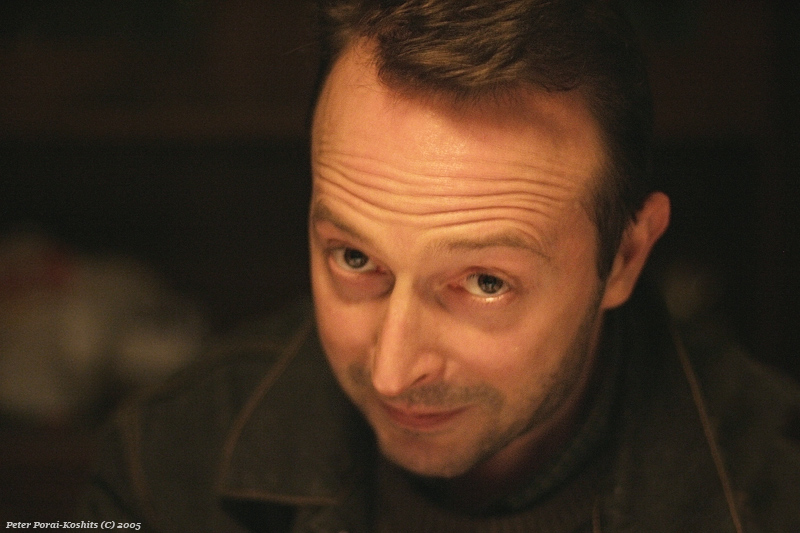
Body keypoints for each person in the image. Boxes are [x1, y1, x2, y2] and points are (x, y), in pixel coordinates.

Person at [82, 0, 800, 531]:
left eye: (485, 282)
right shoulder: (162, 467)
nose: (392, 372)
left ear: (625, 257)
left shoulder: (775, 492)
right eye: (355, 258)